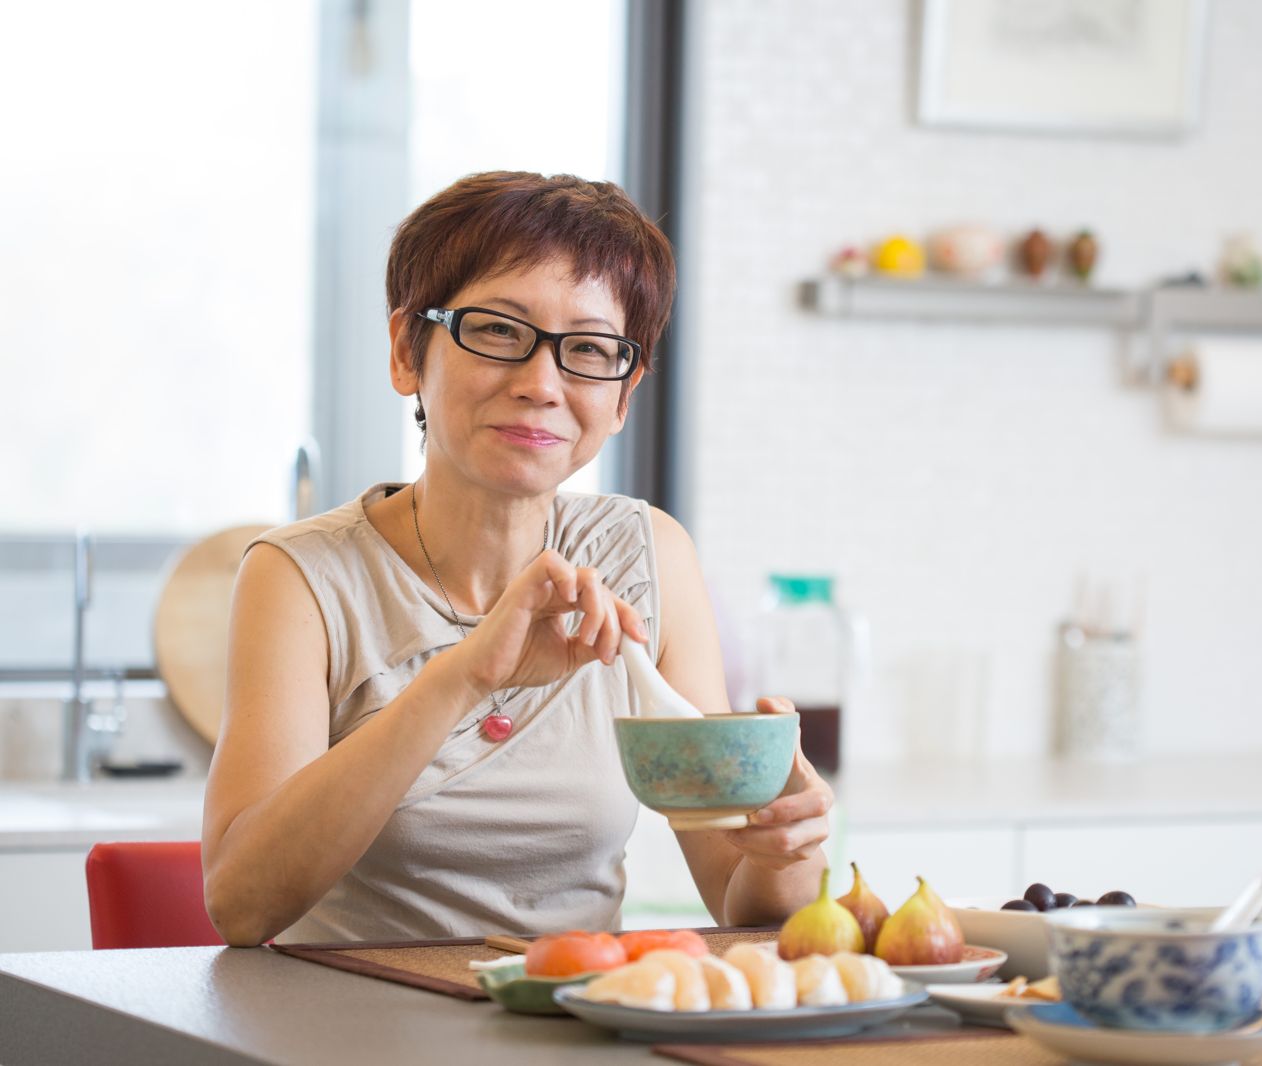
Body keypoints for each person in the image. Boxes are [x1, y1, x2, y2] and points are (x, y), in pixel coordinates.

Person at [202, 172, 832, 946]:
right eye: (499, 331)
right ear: (406, 351)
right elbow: (242, 903)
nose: (541, 384)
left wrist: (784, 848)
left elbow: (743, 902)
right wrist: (464, 676)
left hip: (577, 1006)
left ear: (624, 393)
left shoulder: (646, 556)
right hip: (355, 1013)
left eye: (589, 349)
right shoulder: (301, 577)